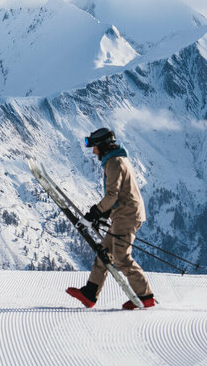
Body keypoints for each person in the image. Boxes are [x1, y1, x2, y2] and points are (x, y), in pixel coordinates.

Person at [66, 127, 156, 310]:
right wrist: (103, 215)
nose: (93, 151)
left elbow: (112, 196)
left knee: (121, 258)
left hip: (127, 215)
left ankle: (145, 296)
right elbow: (119, 194)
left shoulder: (114, 162)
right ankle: (90, 293)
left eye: (95, 147)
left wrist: (95, 214)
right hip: (124, 213)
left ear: (103, 145)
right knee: (104, 253)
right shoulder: (116, 159)